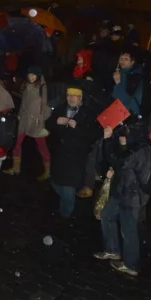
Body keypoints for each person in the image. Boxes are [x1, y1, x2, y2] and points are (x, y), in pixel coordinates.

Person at [95, 122, 151, 277]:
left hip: (132, 195)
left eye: (125, 135)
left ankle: (131, 265)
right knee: (107, 215)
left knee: (128, 231)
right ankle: (112, 250)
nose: (122, 138)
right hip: (121, 190)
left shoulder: (141, 149)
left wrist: (107, 141)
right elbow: (117, 162)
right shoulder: (134, 145)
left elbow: (119, 161)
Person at [49, 87, 100, 217]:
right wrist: (56, 121)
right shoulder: (60, 109)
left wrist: (77, 127)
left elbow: (93, 134)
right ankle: (65, 208)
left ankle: (65, 216)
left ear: (81, 98)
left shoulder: (88, 113)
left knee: (68, 189)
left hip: (76, 157)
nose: (71, 98)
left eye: (74, 96)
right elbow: (48, 124)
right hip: (59, 154)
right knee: (55, 182)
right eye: (68, 95)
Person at [6, 66, 52, 180]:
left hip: (36, 122)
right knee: (17, 143)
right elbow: (24, 102)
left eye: (33, 75)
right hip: (24, 120)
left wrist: (40, 120)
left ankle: (47, 171)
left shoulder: (42, 87)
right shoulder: (26, 85)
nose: (31, 77)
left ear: (38, 75)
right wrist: (20, 115)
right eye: (29, 74)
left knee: (42, 146)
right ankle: (16, 168)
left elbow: (45, 106)